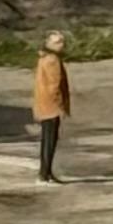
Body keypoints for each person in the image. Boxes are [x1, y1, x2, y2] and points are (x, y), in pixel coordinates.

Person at [32, 29, 71, 182]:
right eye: (57, 42)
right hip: (50, 104)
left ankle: (46, 173)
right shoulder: (52, 60)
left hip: (43, 102)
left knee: (47, 138)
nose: (61, 45)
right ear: (48, 43)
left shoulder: (44, 57)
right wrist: (60, 105)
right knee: (50, 139)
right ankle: (44, 174)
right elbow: (54, 84)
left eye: (62, 41)